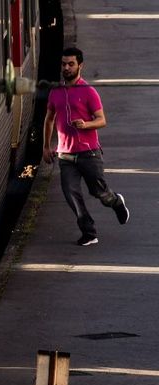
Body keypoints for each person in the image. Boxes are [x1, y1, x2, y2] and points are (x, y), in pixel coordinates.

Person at [43, 47, 129, 246]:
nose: (66, 67)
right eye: (64, 64)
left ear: (80, 66)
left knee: (99, 193)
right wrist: (46, 147)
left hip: (89, 153)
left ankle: (116, 201)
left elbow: (102, 120)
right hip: (65, 155)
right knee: (70, 192)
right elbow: (48, 120)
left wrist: (86, 124)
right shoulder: (55, 91)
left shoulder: (89, 91)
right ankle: (89, 232)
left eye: (71, 64)